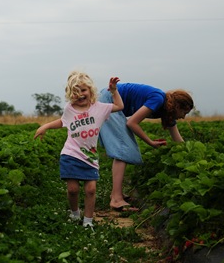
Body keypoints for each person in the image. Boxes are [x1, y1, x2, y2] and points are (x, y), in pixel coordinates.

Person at [34, 71, 124, 229]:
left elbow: (119, 106)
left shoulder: (100, 108)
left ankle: (88, 221)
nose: (80, 95)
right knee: (73, 189)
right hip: (70, 154)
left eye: (83, 90)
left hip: (90, 157)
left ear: (90, 91)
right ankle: (75, 212)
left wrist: (114, 91)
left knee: (91, 189)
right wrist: (46, 126)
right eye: (75, 92)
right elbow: (62, 122)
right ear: (70, 95)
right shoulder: (70, 109)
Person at [98, 83, 194, 211]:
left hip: (108, 97)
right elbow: (132, 123)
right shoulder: (158, 99)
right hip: (109, 97)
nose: (183, 116)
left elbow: (178, 140)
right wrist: (150, 142)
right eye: (184, 111)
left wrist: (191, 156)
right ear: (177, 106)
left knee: (123, 147)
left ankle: (117, 194)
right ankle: (116, 199)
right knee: (123, 148)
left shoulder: (166, 111)